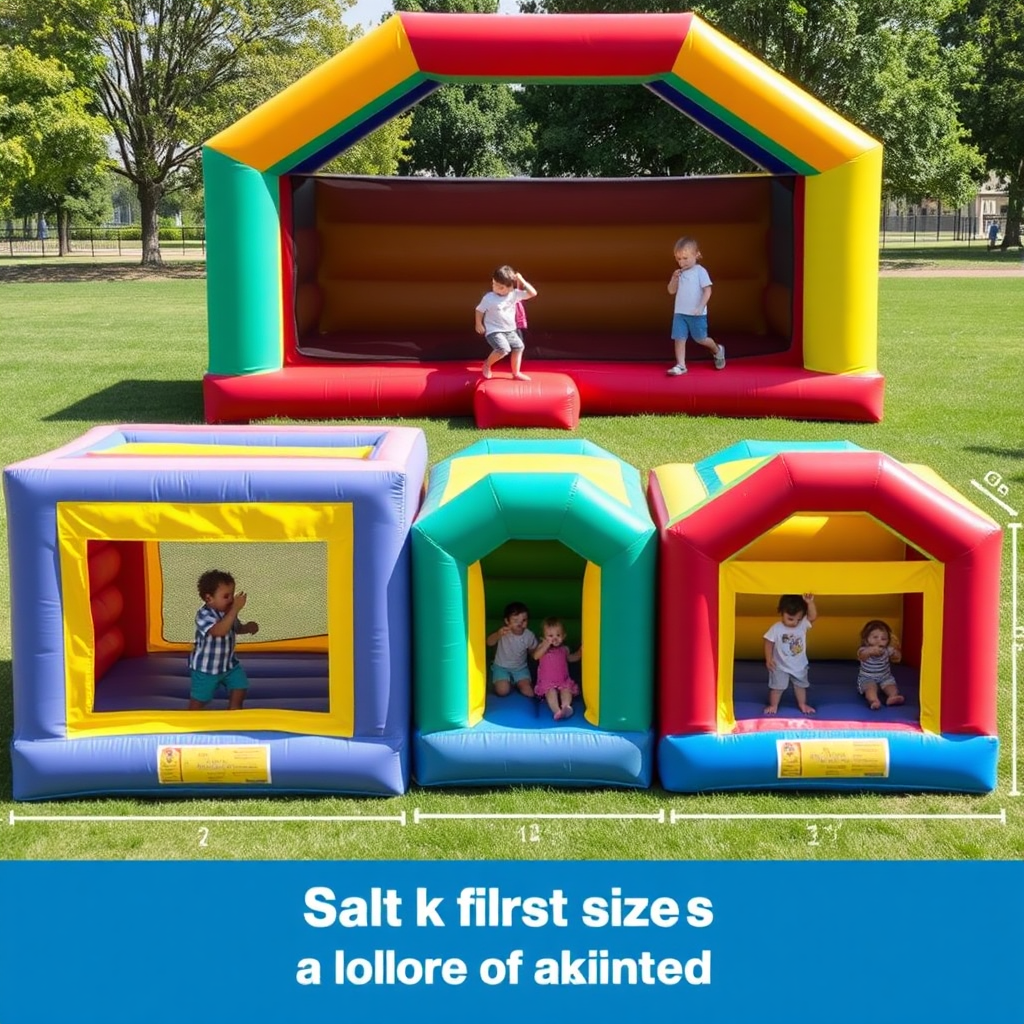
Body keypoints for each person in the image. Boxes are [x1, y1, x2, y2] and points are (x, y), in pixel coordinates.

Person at [187, 569, 260, 710]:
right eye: (226, 596)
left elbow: (235, 628)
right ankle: (191, 717)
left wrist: (247, 627)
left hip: (229, 665)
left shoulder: (228, 612)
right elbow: (219, 631)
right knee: (200, 699)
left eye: (232, 595)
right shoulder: (204, 615)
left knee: (240, 686)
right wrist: (234, 610)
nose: (231, 600)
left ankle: (234, 711)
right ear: (209, 598)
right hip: (206, 669)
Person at [666, 236, 725, 376]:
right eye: (678, 259)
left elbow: (707, 290)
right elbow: (671, 291)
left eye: (685, 258)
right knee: (679, 338)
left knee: (701, 339)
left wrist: (700, 306)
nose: (682, 262)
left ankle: (717, 350)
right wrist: (674, 279)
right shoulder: (679, 273)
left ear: (696, 255)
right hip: (680, 313)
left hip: (696, 314)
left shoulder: (700, 271)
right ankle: (681, 365)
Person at [475, 265, 537, 381]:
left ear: (510, 287)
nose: (495, 288)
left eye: (501, 287)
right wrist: (478, 323)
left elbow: (533, 293)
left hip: (510, 330)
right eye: (494, 284)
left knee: (519, 347)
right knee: (503, 349)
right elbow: (479, 310)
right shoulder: (489, 298)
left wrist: (521, 280)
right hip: (494, 330)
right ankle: (487, 365)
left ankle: (516, 373)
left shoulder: (514, 294)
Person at [763, 593, 817, 715]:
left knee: (800, 686)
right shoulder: (776, 628)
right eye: (790, 619)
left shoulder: (802, 625)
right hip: (780, 666)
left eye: (798, 619)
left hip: (799, 665)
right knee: (777, 687)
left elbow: (812, 617)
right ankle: (773, 705)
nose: (794, 623)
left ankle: (802, 704)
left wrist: (809, 603)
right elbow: (768, 642)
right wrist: (769, 658)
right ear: (781, 612)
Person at [532, 617, 582, 720]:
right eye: (550, 636)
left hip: (563, 680)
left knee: (567, 690)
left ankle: (566, 706)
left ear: (564, 636)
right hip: (547, 682)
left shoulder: (564, 649)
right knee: (551, 693)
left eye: (558, 635)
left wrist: (580, 652)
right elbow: (536, 656)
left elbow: (571, 658)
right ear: (544, 637)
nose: (555, 638)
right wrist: (545, 645)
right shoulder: (542, 648)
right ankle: (557, 711)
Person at [486, 601, 538, 697]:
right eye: (515, 620)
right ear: (507, 621)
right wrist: (498, 635)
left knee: (528, 691)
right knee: (503, 690)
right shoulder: (503, 632)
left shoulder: (529, 635)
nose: (520, 623)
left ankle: (516, 682)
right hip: (501, 667)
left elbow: (533, 651)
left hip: (520, 668)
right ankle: (503, 680)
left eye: (524, 620)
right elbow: (489, 642)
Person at [856, 619, 904, 710]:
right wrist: (870, 651)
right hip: (867, 678)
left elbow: (897, 658)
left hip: (885, 677)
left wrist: (896, 652)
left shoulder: (887, 650)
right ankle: (874, 700)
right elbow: (861, 656)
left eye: (883, 639)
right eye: (875, 637)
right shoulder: (864, 650)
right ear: (866, 639)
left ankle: (893, 696)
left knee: (891, 686)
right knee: (870, 688)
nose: (879, 640)